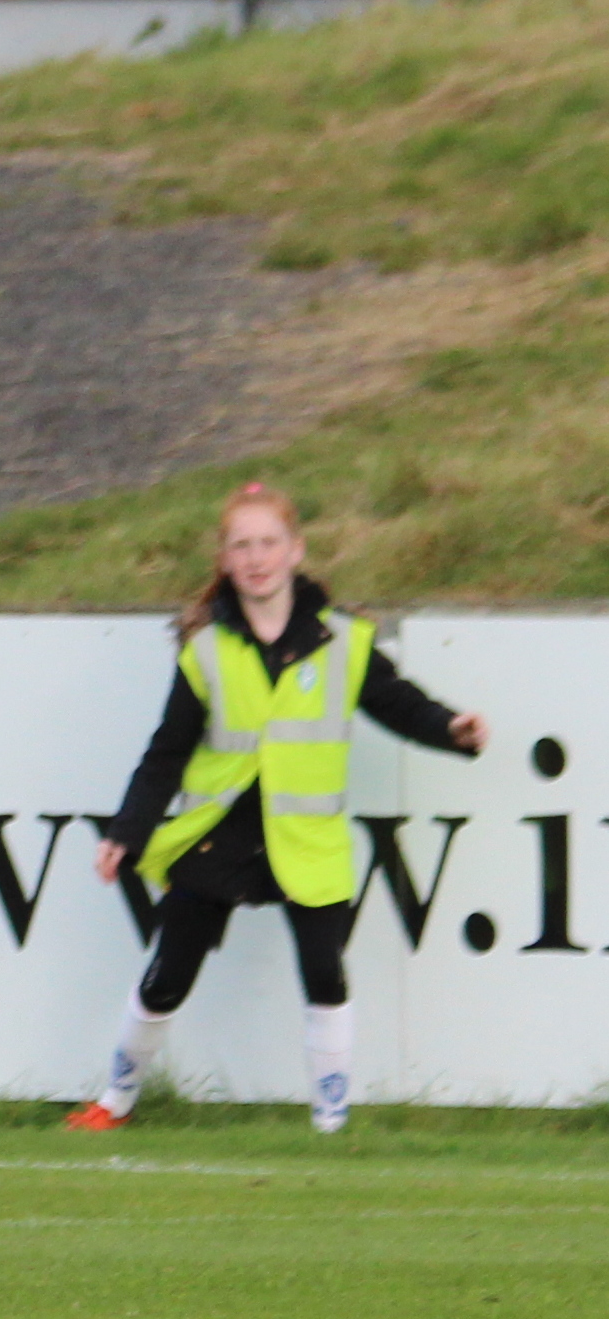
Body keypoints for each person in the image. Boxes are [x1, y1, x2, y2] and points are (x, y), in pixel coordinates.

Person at [74, 483, 485, 1136]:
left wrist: (451, 729)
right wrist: (126, 831)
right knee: (167, 975)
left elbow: (399, 704)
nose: (256, 557)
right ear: (225, 559)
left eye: (268, 543)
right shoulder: (206, 651)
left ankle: (331, 1123)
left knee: (325, 972)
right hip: (218, 834)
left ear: (296, 551)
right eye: (242, 545)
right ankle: (114, 1101)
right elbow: (167, 752)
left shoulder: (344, 641)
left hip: (305, 838)